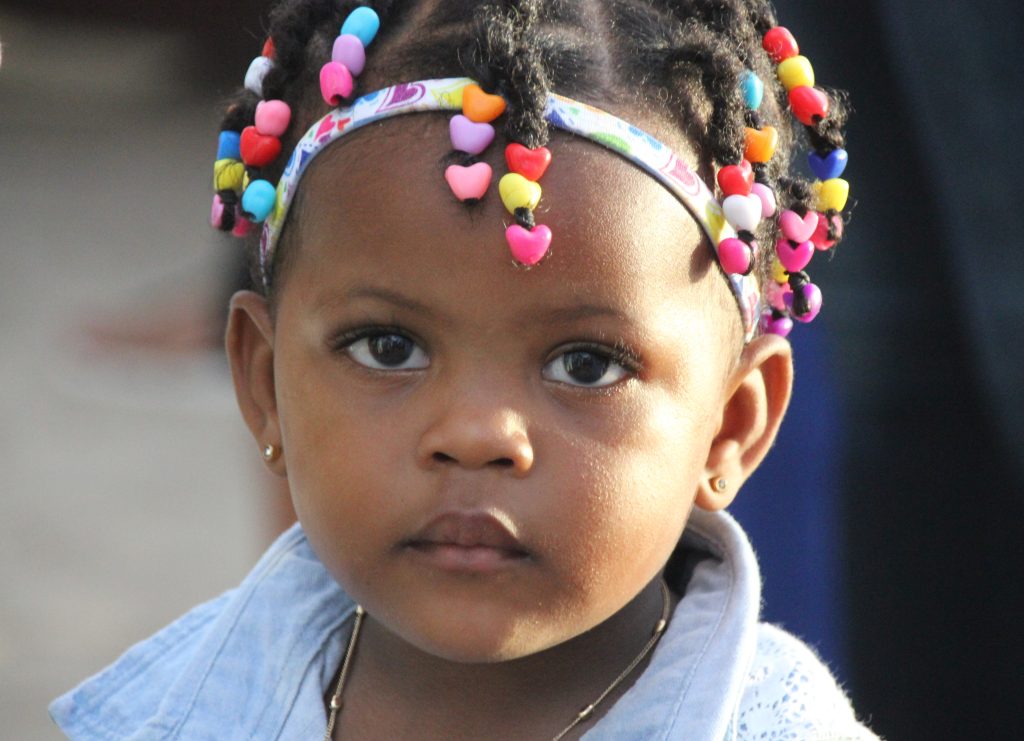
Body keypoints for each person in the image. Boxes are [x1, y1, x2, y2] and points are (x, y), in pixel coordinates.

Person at [49, 1, 877, 738]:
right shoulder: (169, 710)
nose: (476, 435)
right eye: (388, 347)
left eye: (585, 364)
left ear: (731, 426)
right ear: (264, 385)